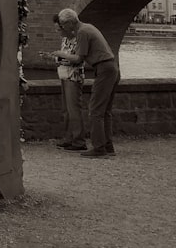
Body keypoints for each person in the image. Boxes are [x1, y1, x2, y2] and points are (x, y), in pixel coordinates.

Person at [53, 8, 120, 157]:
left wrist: (60, 54)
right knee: (105, 111)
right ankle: (108, 146)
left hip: (104, 69)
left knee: (95, 110)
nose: (63, 28)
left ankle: (99, 148)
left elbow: (78, 59)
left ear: (70, 22)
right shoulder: (88, 27)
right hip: (112, 68)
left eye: (63, 25)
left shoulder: (82, 32)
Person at [42, 13, 86, 151]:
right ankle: (69, 138)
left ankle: (79, 141)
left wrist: (59, 56)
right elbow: (64, 59)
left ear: (66, 27)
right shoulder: (65, 40)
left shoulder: (78, 39)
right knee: (66, 110)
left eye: (59, 29)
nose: (57, 32)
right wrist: (51, 58)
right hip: (63, 75)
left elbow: (77, 60)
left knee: (74, 110)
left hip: (73, 77)